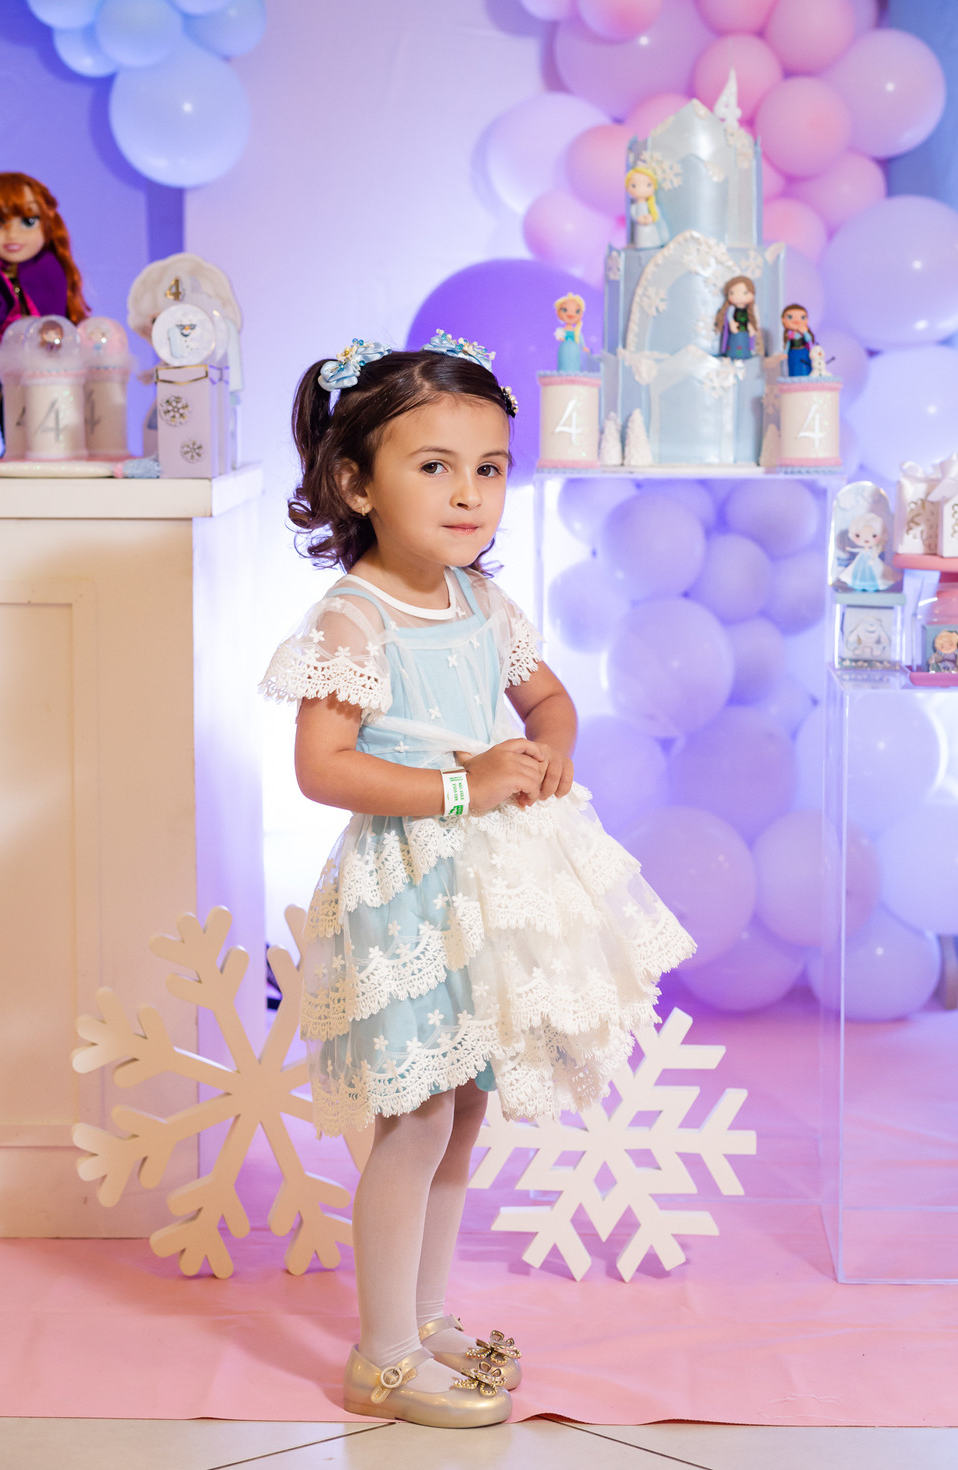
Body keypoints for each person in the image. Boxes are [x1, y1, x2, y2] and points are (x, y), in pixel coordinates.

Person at [260, 332, 695, 1428]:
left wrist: (548, 755)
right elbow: (323, 767)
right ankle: (380, 1356)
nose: (468, 494)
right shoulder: (355, 616)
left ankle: (423, 1313)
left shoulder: (479, 603)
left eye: (489, 468)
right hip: (410, 888)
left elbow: (548, 703)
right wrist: (464, 785)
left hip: (487, 889)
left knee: (462, 1110)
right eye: (434, 467)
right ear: (356, 483)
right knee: (411, 1118)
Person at [0, 171, 87, 419]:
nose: (12, 235)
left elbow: (64, 318)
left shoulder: (51, 271)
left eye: (28, 221)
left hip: (54, 367)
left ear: (47, 221)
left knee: (56, 420)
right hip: (3, 373)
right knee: (12, 420)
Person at [624, 163, 669, 250]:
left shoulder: (651, 205)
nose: (641, 190)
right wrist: (638, 219)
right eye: (634, 186)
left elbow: (656, 214)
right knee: (641, 239)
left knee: (651, 238)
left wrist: (651, 218)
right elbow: (633, 215)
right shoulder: (634, 207)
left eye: (648, 185)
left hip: (651, 228)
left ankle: (653, 243)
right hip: (640, 230)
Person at [715, 276, 760, 360]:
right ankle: (733, 354)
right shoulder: (731, 309)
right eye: (732, 293)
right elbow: (729, 317)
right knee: (735, 343)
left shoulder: (749, 310)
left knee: (744, 343)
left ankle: (746, 353)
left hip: (744, 331)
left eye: (745, 292)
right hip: (735, 331)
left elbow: (751, 319)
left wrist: (751, 327)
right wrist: (731, 324)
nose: (739, 296)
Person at [553, 291, 586, 372]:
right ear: (557, 312)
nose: (571, 314)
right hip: (565, 348)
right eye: (565, 310)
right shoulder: (561, 330)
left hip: (574, 349)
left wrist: (583, 346)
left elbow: (580, 337)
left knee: (574, 362)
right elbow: (559, 337)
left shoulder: (576, 331)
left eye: (577, 311)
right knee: (564, 361)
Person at [781, 303, 815, 378]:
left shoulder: (803, 333)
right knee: (793, 366)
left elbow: (808, 339)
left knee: (805, 367)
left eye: (802, 317)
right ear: (783, 320)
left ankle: (806, 378)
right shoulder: (790, 335)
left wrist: (805, 332)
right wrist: (785, 353)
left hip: (804, 352)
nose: (796, 320)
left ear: (807, 320)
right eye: (790, 317)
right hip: (793, 353)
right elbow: (788, 344)